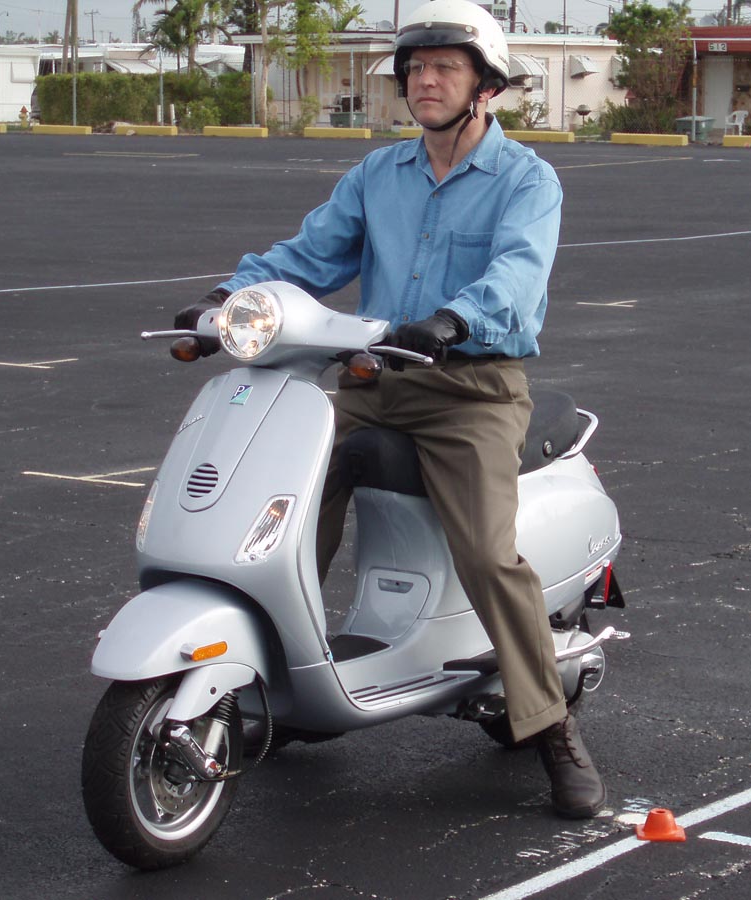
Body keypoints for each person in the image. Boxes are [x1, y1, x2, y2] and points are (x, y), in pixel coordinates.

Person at [174, 0, 606, 819]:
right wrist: (230, 293)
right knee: (278, 500)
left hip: (473, 391)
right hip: (376, 380)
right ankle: (287, 675)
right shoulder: (379, 174)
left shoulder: (526, 179)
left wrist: (452, 320)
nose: (425, 81)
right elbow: (310, 255)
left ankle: (550, 726)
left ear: (484, 85)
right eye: (415, 69)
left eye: (445, 67)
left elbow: (518, 275)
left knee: (486, 552)